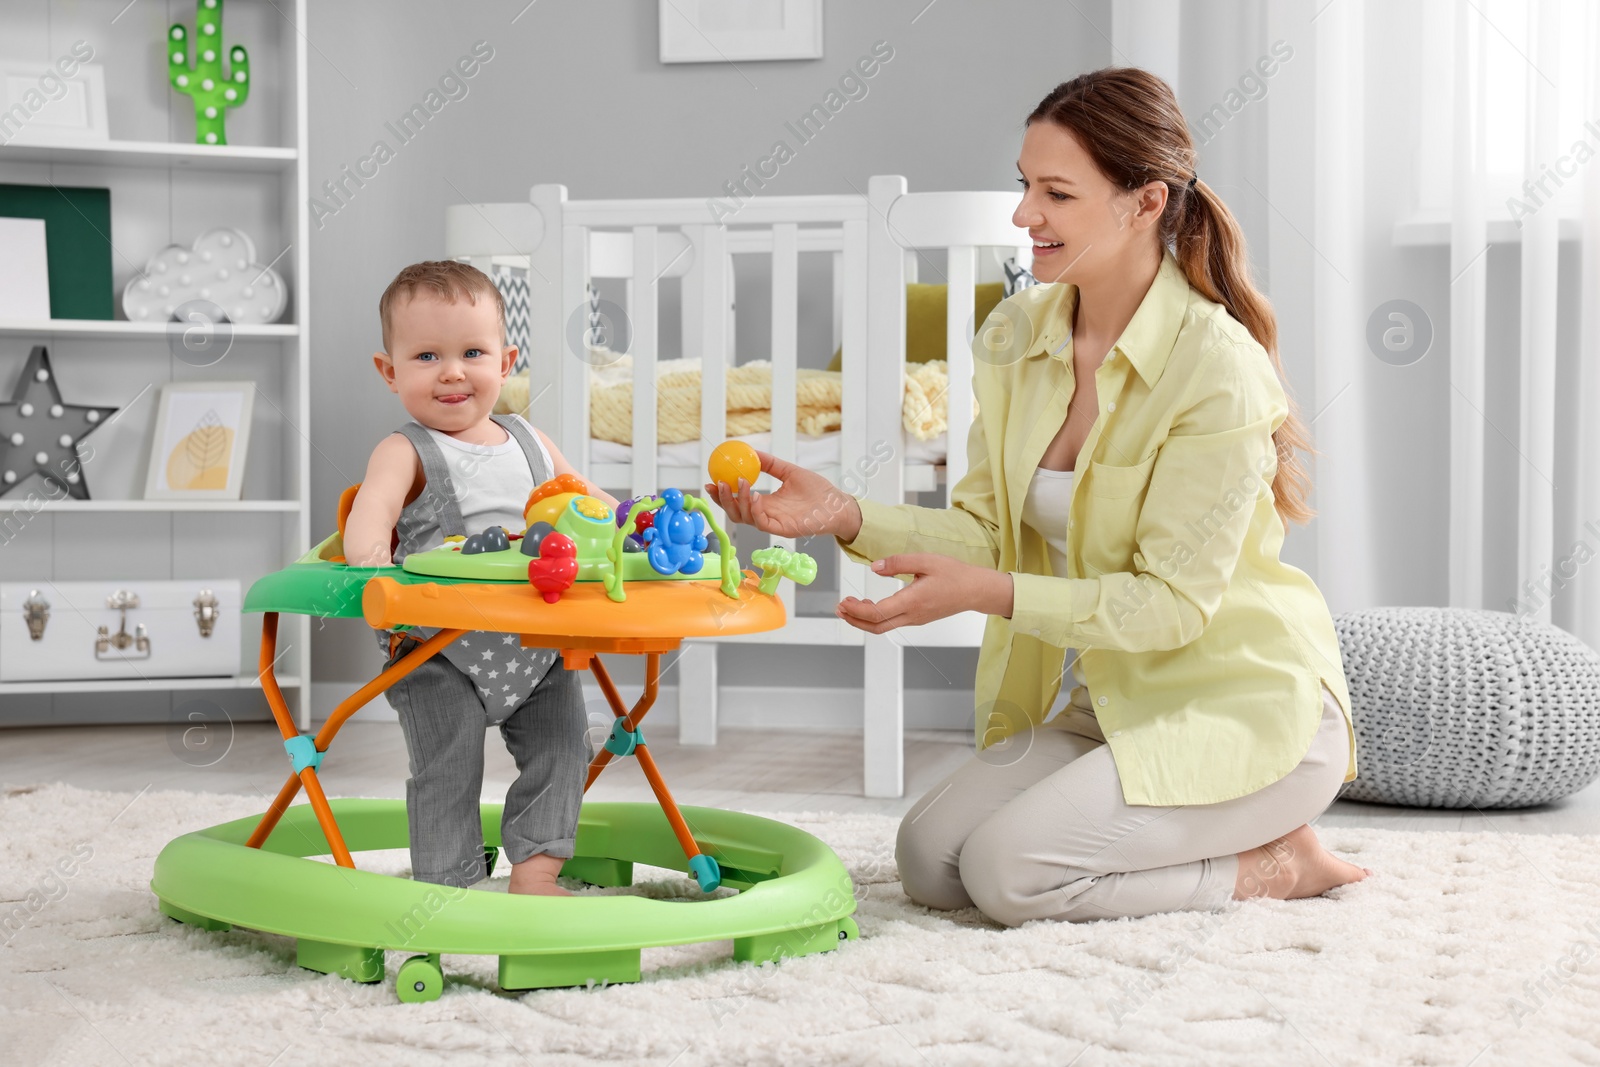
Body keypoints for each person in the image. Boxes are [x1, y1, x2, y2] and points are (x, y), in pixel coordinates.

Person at [709, 68, 1372, 926]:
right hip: (1110, 703)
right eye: (1025, 184)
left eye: (1056, 192)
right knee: (929, 859)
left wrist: (990, 594)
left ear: (1144, 203)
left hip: (1238, 704)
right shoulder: (1018, 334)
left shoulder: (1215, 366)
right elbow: (990, 529)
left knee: (1007, 873)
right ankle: (1213, 842)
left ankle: (1273, 864)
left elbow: (1170, 607)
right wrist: (844, 514)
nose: (1024, 214)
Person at [345, 260, 619, 897]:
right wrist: (371, 569)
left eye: (473, 351)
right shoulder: (403, 450)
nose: (452, 371)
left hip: (536, 642)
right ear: (391, 371)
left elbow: (586, 500)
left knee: (563, 750)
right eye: (426, 356)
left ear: (505, 361)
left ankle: (536, 873)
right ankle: (450, 888)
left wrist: (634, 524)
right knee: (447, 768)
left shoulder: (529, 440)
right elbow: (371, 515)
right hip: (435, 647)